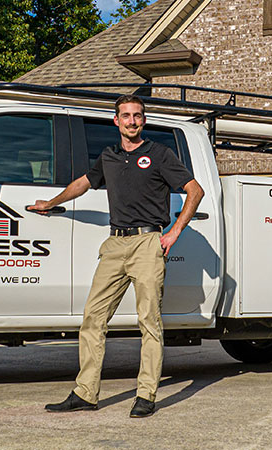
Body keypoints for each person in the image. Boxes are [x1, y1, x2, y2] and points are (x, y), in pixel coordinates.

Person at [30, 94, 204, 418]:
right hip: (114, 246)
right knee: (92, 318)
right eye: (126, 116)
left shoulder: (159, 154)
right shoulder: (108, 156)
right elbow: (83, 183)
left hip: (147, 244)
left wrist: (175, 232)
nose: (132, 121)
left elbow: (195, 191)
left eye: (137, 115)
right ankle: (85, 393)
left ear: (144, 120)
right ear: (116, 121)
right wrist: (50, 203)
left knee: (149, 322)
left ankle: (146, 394)